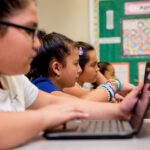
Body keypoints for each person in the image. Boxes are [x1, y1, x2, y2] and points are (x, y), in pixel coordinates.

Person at [0, 0, 149, 149]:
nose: (37, 44)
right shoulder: (40, 82)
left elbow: (54, 103)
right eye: (28, 30)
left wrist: (121, 111)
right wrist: (47, 116)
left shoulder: (14, 79)